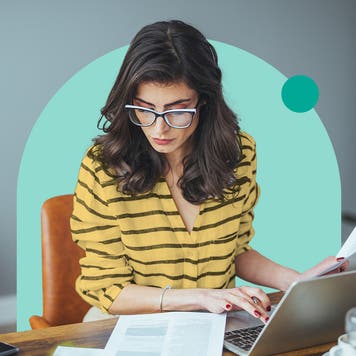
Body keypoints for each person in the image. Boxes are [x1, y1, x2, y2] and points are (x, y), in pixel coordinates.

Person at [70, 20, 349, 323]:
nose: (159, 127)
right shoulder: (103, 166)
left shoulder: (238, 154)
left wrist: (294, 282)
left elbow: (235, 251)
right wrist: (200, 297)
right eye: (145, 109)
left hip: (212, 324)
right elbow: (107, 289)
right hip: (128, 325)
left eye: (178, 110)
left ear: (204, 99)